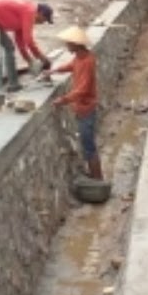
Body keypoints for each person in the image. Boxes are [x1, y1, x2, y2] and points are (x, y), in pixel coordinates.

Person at [44, 25, 102, 181]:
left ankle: (97, 180)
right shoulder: (80, 57)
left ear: (76, 44)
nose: (66, 46)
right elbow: (71, 66)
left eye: (68, 43)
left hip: (86, 108)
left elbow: (83, 89)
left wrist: (63, 100)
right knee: (87, 144)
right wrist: (54, 70)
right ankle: (95, 176)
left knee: (89, 146)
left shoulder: (87, 61)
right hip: (82, 108)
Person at [0, 0, 53, 108]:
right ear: (40, 13)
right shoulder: (29, 12)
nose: (42, 23)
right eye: (44, 20)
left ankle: (13, 84)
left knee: (10, 48)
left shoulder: (25, 14)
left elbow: (20, 42)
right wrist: (41, 57)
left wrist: (30, 61)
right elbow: (29, 41)